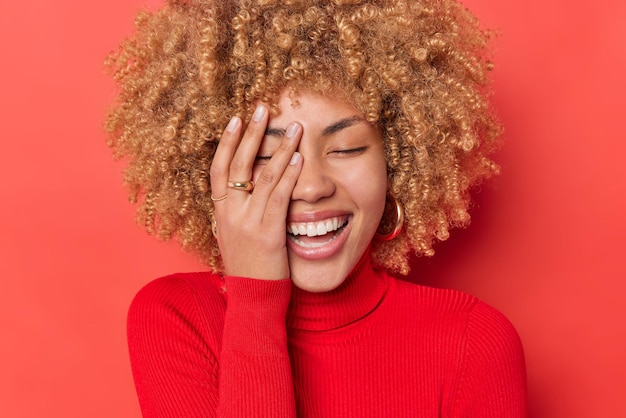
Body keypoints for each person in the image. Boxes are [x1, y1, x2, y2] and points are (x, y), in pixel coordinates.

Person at [105, 0, 527, 416]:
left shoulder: (474, 342)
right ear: (213, 172)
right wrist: (254, 296)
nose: (311, 186)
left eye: (347, 148)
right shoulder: (177, 317)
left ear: (396, 162)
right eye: (269, 156)